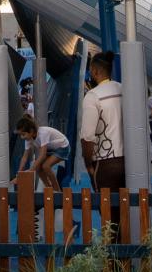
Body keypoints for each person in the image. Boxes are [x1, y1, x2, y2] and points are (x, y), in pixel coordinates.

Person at [79, 51, 125, 191]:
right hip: (131, 160)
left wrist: (88, 164)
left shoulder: (93, 96)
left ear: (95, 70)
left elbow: (87, 136)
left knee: (108, 210)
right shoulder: (124, 89)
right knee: (130, 209)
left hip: (106, 163)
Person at [14, 114, 69, 190]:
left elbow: (42, 155)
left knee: (46, 166)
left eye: (23, 134)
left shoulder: (43, 133)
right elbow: (24, 157)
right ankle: (49, 189)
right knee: (38, 168)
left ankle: (57, 190)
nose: (22, 137)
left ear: (31, 131)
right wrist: (18, 175)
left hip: (62, 147)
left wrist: (31, 171)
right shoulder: (28, 139)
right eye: (20, 135)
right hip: (50, 149)